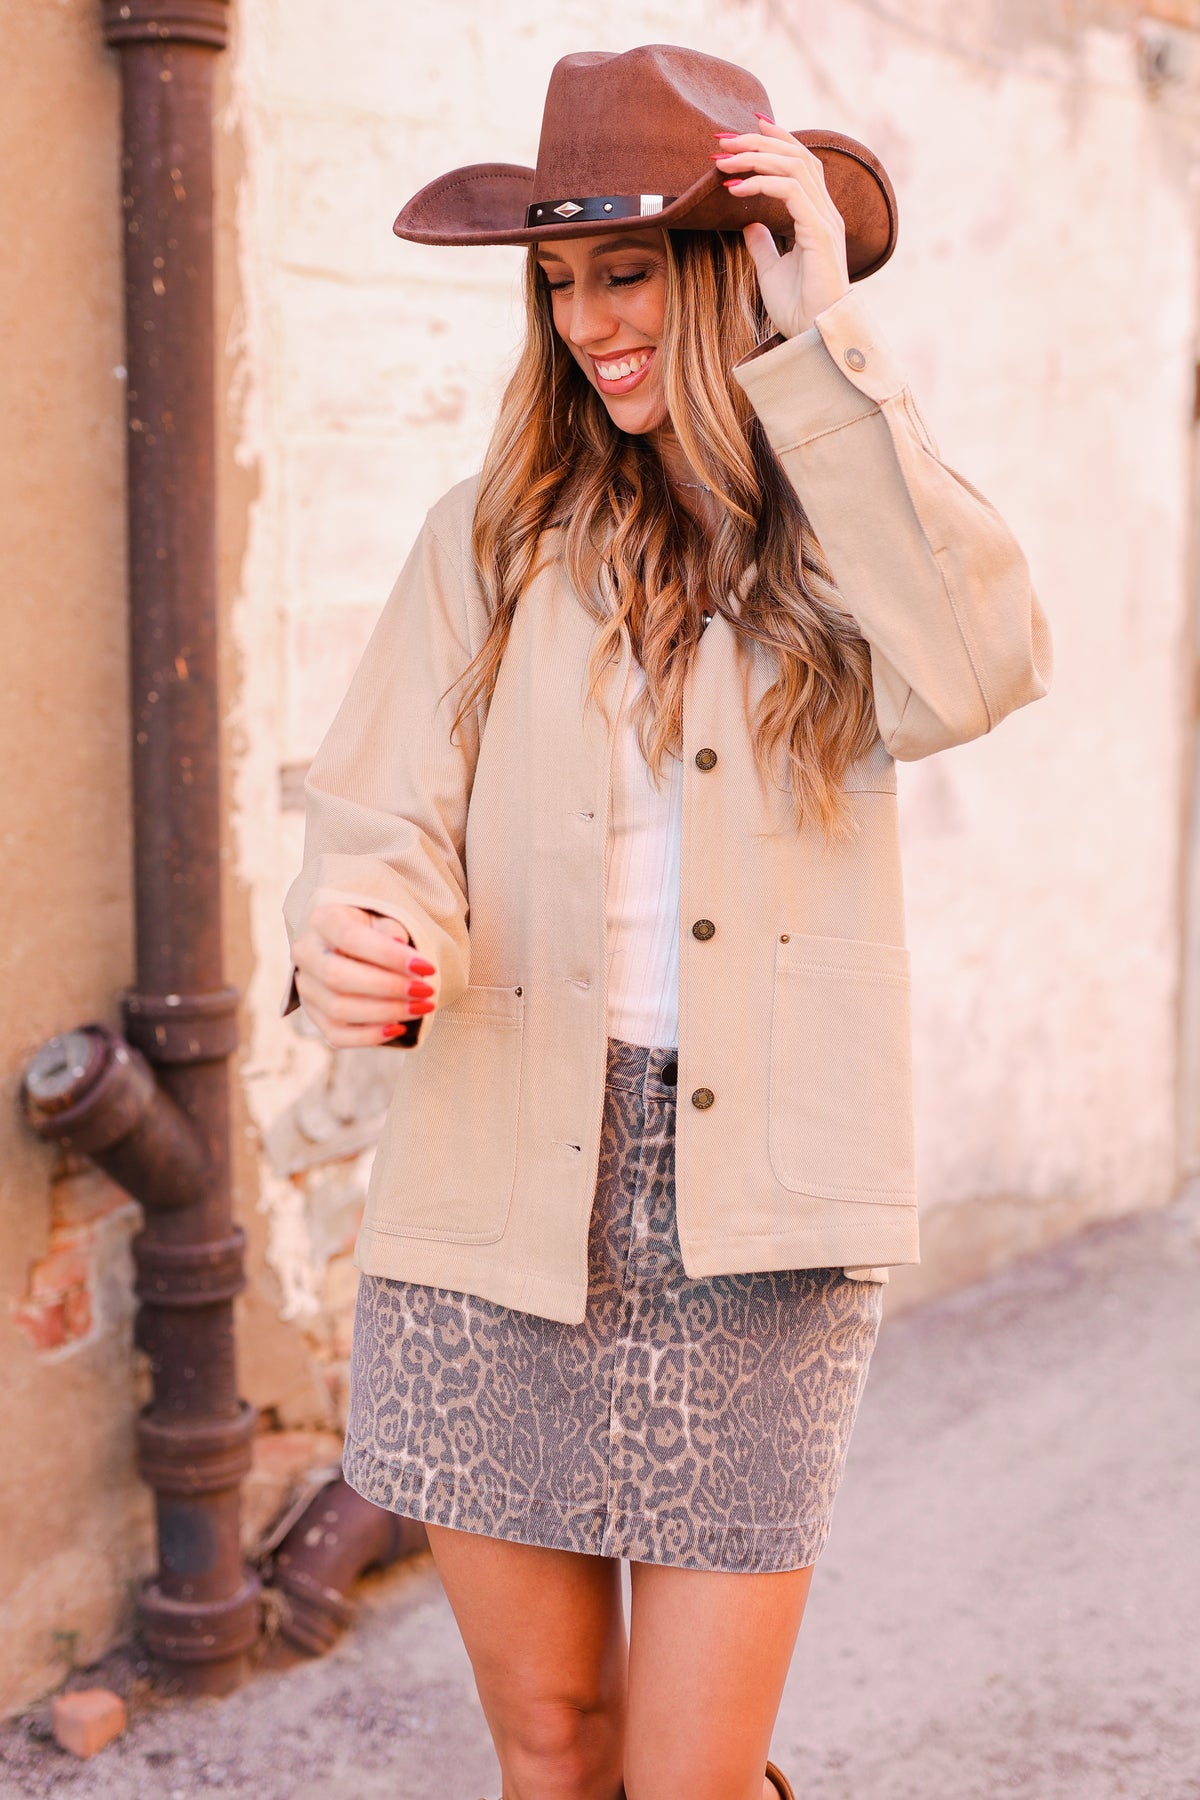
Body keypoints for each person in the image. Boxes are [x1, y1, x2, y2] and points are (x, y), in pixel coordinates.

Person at [282, 43, 1051, 1800]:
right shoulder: (486, 535)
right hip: (495, 1204)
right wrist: (368, 931)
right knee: (556, 1747)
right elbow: (379, 818)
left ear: (723, 267)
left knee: (692, 1778)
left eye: (623, 271)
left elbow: (984, 662)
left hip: (754, 1226)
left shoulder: (844, 534)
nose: (585, 324)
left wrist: (823, 341)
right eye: (558, 285)